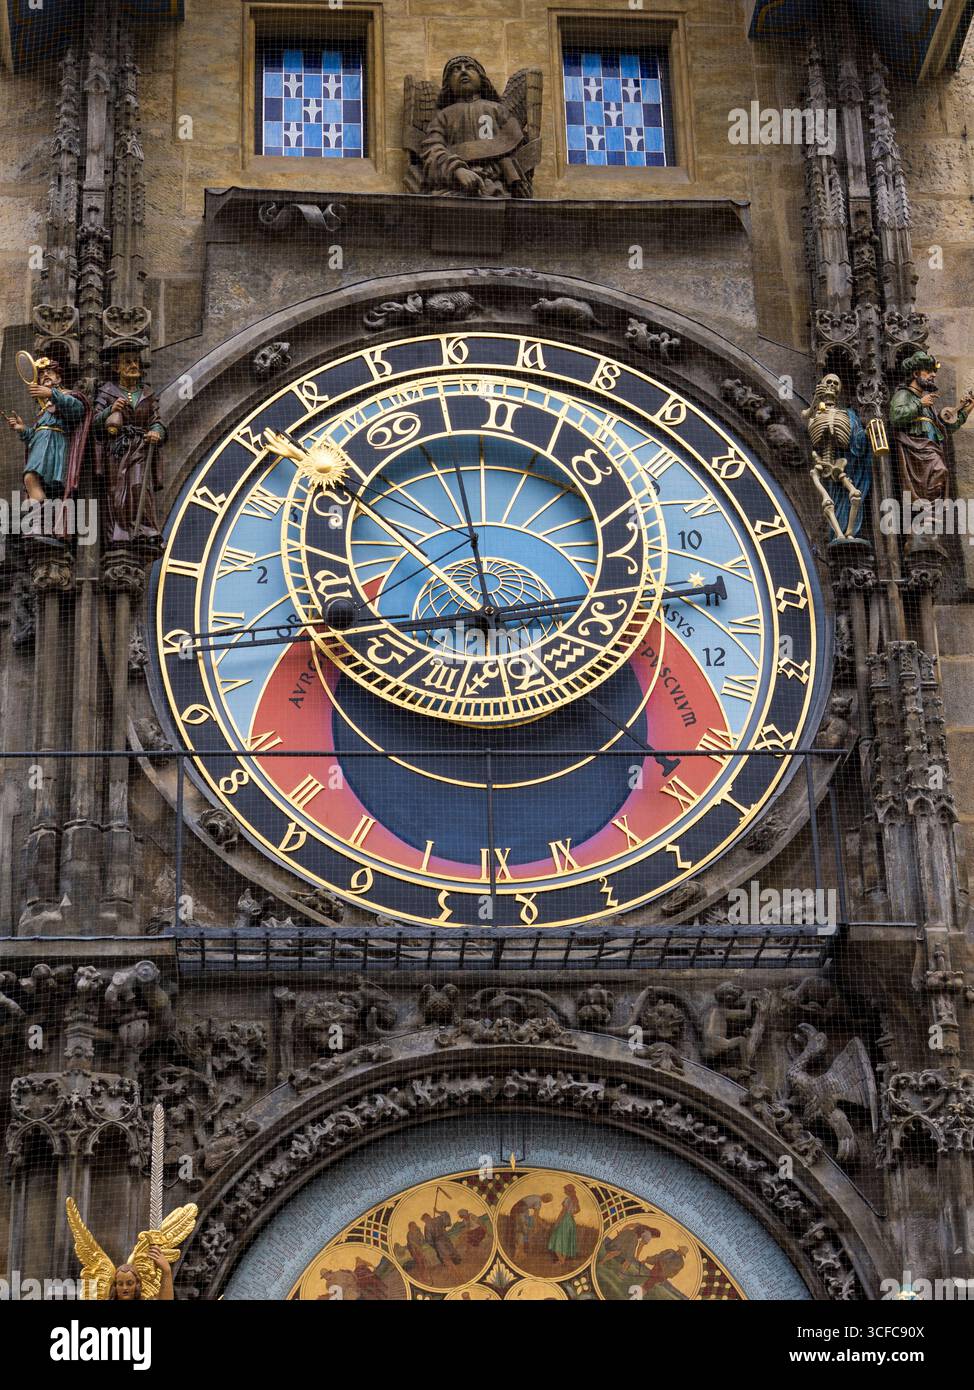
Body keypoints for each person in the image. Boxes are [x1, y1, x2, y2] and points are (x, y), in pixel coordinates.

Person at [418, 56, 528, 199]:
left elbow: (514, 147)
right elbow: (431, 150)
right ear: (448, 84)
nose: (463, 71)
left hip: (496, 188)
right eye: (456, 70)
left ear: (481, 78)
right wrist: (457, 170)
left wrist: (516, 180)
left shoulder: (497, 110)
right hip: (454, 188)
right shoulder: (443, 116)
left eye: (469, 67)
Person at [93, 346, 166, 545]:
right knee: (118, 490)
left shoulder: (147, 394)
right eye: (127, 362)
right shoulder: (108, 391)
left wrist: (156, 432)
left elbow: (157, 421)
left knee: (139, 485)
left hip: (140, 447)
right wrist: (110, 410)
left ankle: (145, 530)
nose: (134, 365)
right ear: (117, 368)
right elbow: (93, 423)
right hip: (117, 449)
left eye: (136, 361)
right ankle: (120, 532)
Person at [3, 355, 90, 503]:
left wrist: (51, 393)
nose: (45, 375)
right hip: (42, 447)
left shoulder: (68, 395)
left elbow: (78, 411)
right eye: (41, 374)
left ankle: (42, 518)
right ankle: (44, 520)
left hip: (56, 446)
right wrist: (22, 429)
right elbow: (36, 436)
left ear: (59, 378)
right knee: (38, 487)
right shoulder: (43, 409)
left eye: (49, 372)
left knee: (31, 478)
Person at [889, 351, 974, 503]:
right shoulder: (904, 395)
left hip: (930, 450)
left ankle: (930, 512)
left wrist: (966, 409)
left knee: (940, 473)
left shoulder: (927, 403)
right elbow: (896, 417)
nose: (933, 375)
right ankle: (926, 511)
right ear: (915, 373)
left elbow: (944, 428)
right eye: (928, 371)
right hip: (915, 452)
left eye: (934, 371)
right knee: (940, 470)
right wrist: (920, 403)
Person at [547, 1184, 581, 1263]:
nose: (564, 1191)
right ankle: (562, 1259)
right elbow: (578, 1210)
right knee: (566, 1239)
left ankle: (561, 1260)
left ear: (568, 1191)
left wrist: (557, 1222)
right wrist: (572, 1214)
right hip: (571, 1221)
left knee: (557, 1238)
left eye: (565, 1190)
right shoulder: (575, 1199)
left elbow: (563, 1212)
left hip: (565, 1220)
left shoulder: (568, 1199)